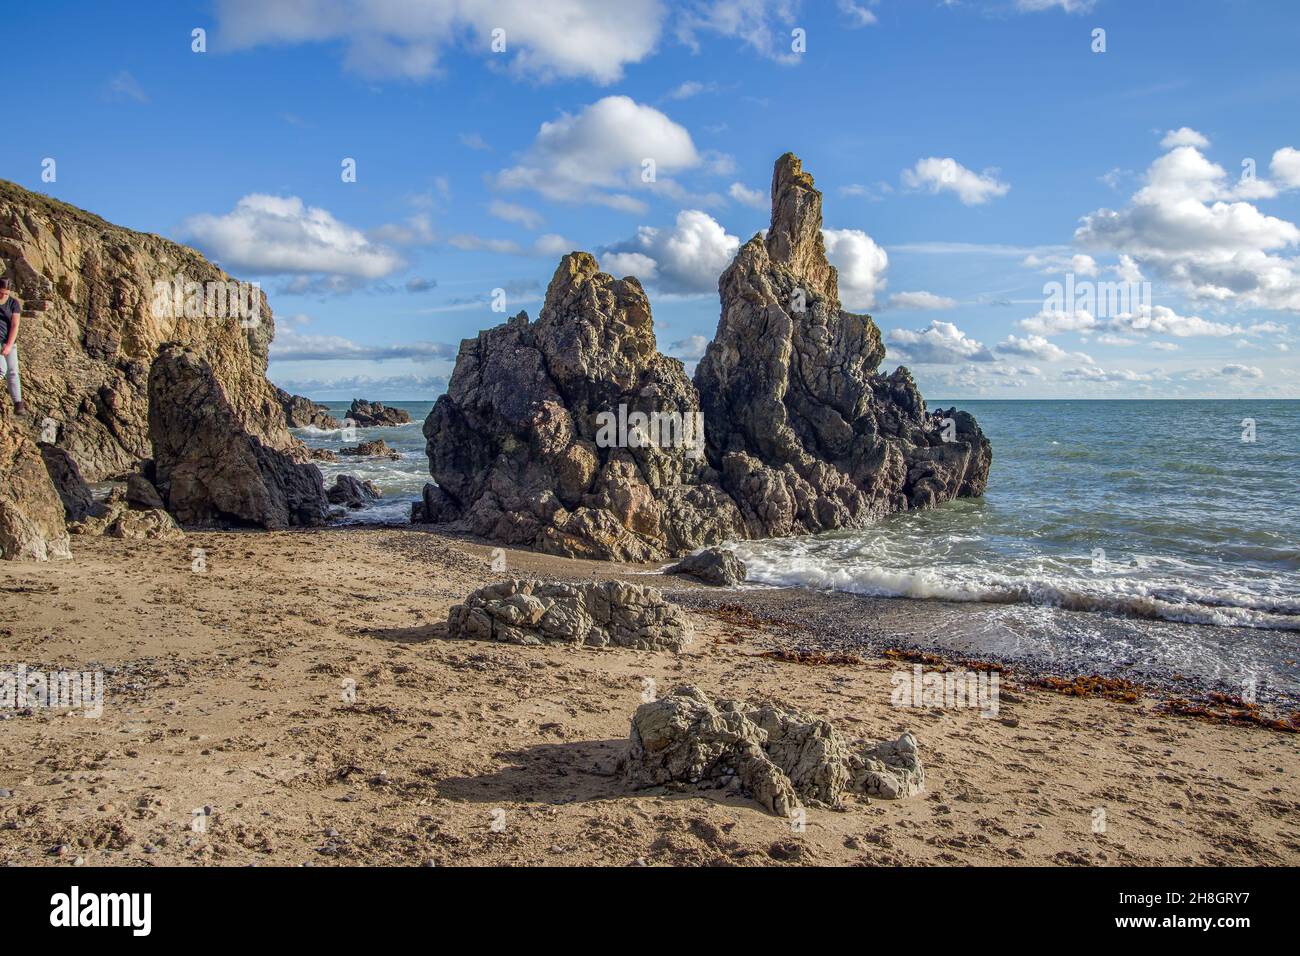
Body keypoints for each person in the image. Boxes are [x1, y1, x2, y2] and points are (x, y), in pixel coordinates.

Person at [0, 278, 23, 415]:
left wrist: (9, 345)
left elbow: (15, 325)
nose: (3, 296)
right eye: (1, 293)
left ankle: (18, 404)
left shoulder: (13, 303)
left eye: (6, 293)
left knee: (13, 372)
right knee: (2, 369)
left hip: (9, 341)